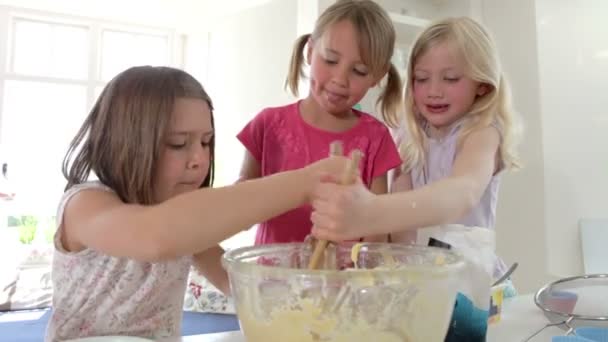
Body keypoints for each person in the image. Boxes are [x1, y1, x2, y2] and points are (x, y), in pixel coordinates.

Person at [45, 66, 347, 342]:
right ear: (126, 142)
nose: (200, 159)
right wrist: (303, 184)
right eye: (178, 144)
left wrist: (306, 279)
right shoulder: (85, 204)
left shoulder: (187, 229)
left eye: (206, 142)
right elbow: (157, 236)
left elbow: (241, 288)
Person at [310, 16, 521, 281]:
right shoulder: (408, 135)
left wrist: (370, 211)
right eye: (421, 79)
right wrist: (380, 261)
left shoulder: (482, 133)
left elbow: (462, 192)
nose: (434, 91)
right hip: (423, 279)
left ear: (482, 85)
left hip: (474, 285)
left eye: (451, 79)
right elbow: (402, 236)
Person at [237, 0, 403, 245]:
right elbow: (240, 209)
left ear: (377, 76)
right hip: (272, 279)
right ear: (310, 51)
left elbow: (375, 231)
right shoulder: (267, 125)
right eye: (330, 60)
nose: (340, 79)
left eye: (358, 71)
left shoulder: (376, 137)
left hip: (344, 281)